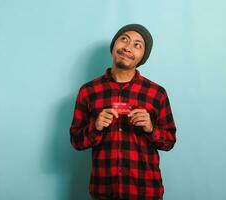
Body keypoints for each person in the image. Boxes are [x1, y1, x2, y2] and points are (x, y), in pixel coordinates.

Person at [70, 24, 177, 200]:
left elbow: (169, 141)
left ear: (143, 56)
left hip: (146, 191)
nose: (128, 47)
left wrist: (151, 128)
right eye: (124, 39)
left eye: (137, 45)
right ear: (114, 45)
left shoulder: (157, 93)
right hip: (103, 191)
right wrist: (95, 127)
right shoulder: (88, 91)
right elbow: (76, 141)